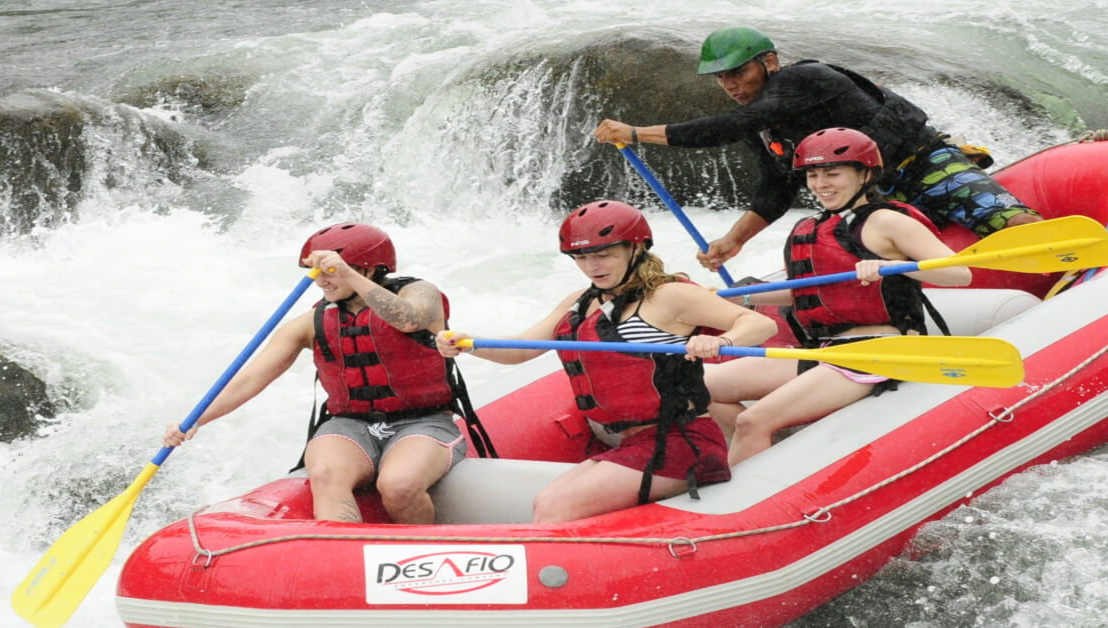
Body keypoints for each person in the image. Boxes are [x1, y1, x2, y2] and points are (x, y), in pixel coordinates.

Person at [592, 25, 1044, 273]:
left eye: (738, 73)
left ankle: (1069, 268)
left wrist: (637, 133)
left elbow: (730, 126)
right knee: (872, 265)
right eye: (722, 78)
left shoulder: (804, 80)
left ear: (769, 62)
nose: (730, 85)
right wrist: (733, 240)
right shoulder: (764, 124)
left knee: (1010, 222)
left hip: (923, 163)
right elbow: (775, 190)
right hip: (876, 200)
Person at [437, 201, 776, 523]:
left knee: (556, 506)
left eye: (603, 255)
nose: (591, 267)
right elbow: (522, 351)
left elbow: (760, 324)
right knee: (544, 501)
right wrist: (467, 344)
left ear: (637, 248)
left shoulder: (669, 295)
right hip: (634, 443)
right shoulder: (580, 302)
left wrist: (721, 341)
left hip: (682, 443)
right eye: (581, 258)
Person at [162, 223, 466, 524]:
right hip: (351, 426)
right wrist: (197, 419)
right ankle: (343, 558)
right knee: (325, 475)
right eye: (313, 270)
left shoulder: (421, 293)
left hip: (424, 421)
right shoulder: (311, 322)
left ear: (369, 270)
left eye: (328, 270)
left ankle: (415, 560)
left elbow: (409, 320)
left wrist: (346, 273)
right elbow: (250, 378)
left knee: (399, 485)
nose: (319, 281)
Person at [705, 128, 974, 465]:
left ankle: (745, 491)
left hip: (879, 352)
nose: (820, 184)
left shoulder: (887, 221)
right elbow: (805, 293)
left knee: (752, 420)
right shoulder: (813, 225)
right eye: (813, 175)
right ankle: (775, 457)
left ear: (864, 174)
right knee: (699, 389)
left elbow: (958, 274)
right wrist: (741, 298)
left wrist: (895, 266)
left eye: (833, 173)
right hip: (824, 349)